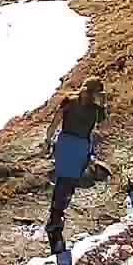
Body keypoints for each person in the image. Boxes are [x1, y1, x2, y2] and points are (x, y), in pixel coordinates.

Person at [45, 77, 108, 247]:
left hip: (65, 143)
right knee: (70, 181)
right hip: (80, 147)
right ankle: (56, 216)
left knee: (62, 179)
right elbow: (103, 124)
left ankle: (55, 215)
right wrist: (102, 105)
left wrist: (48, 138)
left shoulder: (70, 101)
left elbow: (56, 120)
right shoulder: (96, 110)